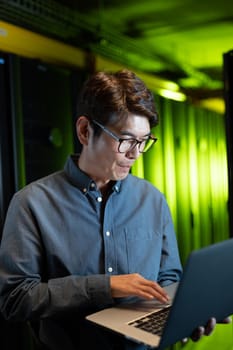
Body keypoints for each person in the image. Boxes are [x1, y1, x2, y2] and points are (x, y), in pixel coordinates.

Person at [0, 69, 230, 350]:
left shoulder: (153, 199)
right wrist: (104, 287)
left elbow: (168, 280)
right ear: (85, 131)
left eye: (144, 141)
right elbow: (15, 300)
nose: (135, 153)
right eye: (126, 139)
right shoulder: (31, 203)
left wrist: (185, 316)